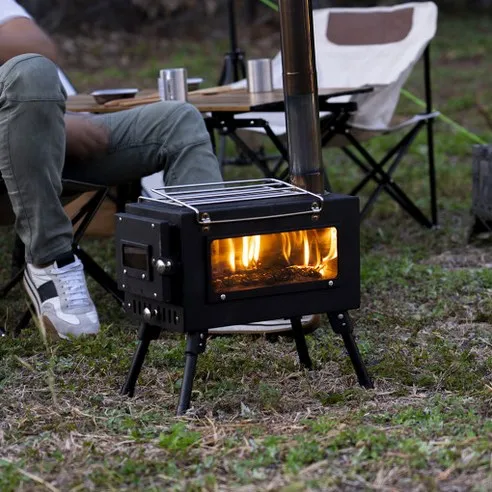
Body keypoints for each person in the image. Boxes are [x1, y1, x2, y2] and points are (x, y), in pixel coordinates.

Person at [0, 0, 223, 339]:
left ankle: (209, 281)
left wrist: (49, 119)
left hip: (45, 140)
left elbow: (35, 46)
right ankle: (51, 260)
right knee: (31, 74)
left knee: (177, 121)